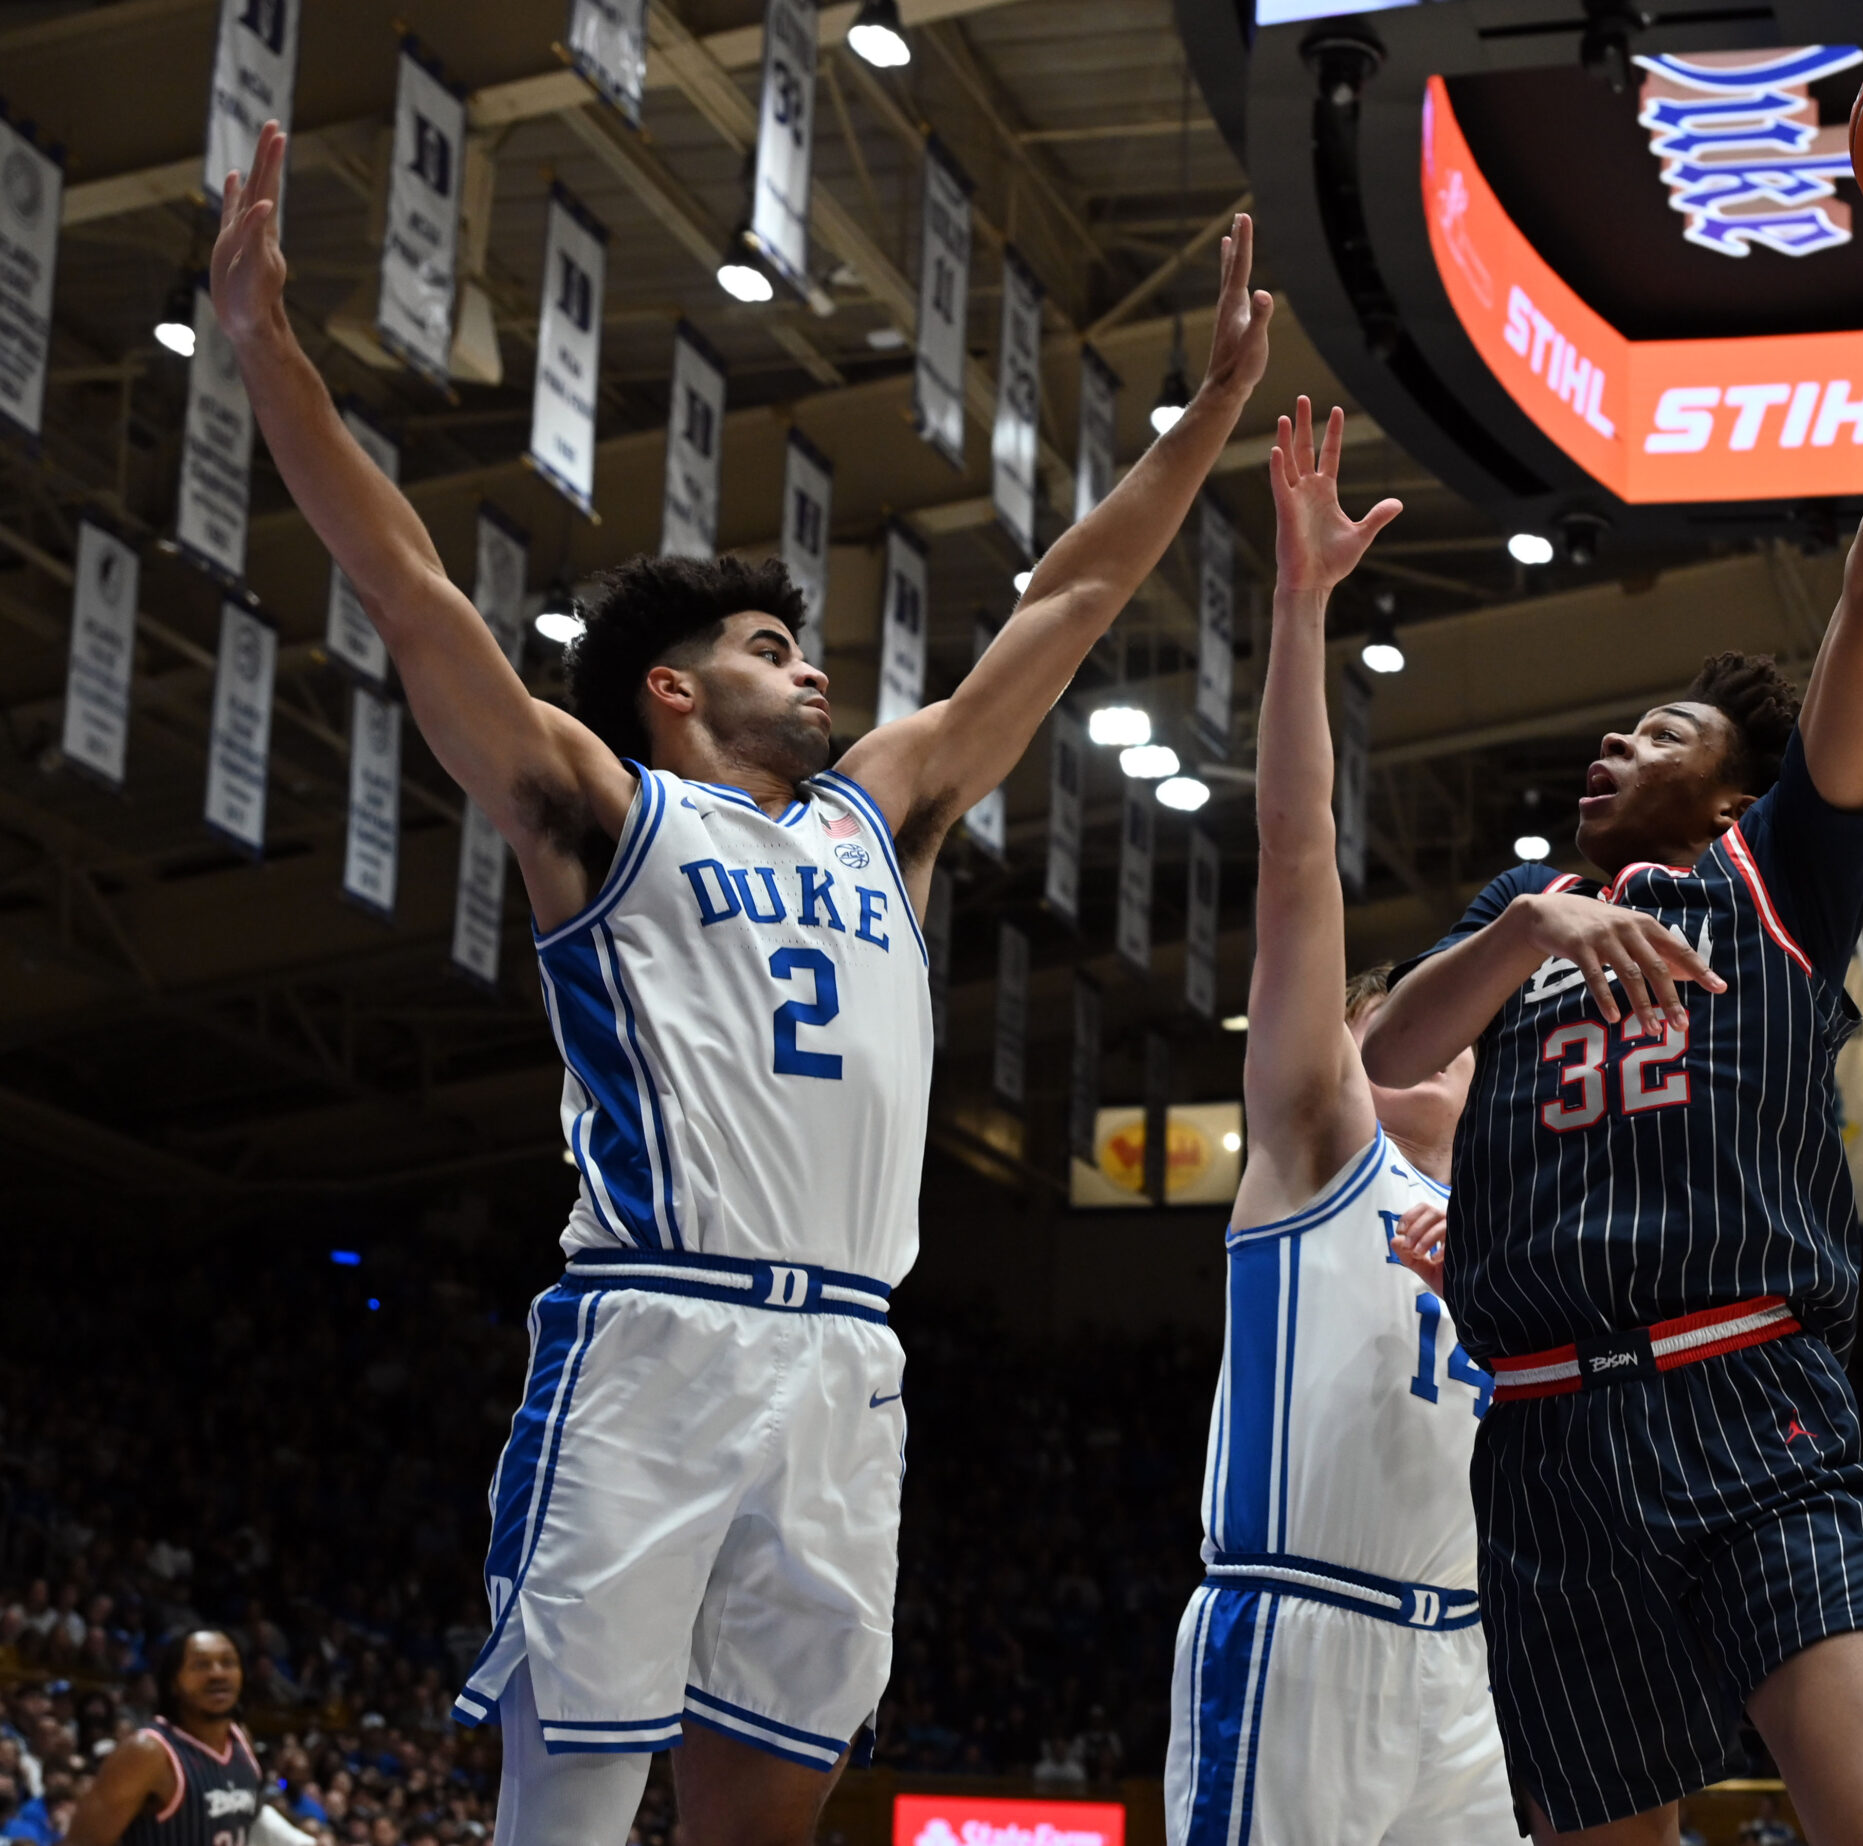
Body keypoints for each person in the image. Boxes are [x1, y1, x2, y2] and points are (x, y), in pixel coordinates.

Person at [206, 119, 1275, 1846]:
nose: (814, 663)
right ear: (674, 694)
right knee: (568, 1804)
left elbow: (1067, 604)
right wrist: (270, 356)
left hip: (847, 1361)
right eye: (773, 647)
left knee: (769, 1814)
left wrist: (1212, 405)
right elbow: (410, 597)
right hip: (659, 1325)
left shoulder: (884, 816)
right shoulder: (601, 806)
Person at [1359, 99, 1863, 1846]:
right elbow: (1394, 1051)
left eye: (1660, 727)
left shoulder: (1777, 875)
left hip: (1751, 1397)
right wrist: (1529, 923)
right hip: (1541, 1443)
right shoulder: (1519, 911)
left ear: (1734, 783)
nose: (1614, 738)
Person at [1161, 402, 1511, 1843]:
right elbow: (1298, 856)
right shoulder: (1320, 1147)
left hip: (1467, 1663)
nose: (1421, 1051)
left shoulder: (1518, 1242)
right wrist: (1302, 603)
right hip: (1301, 1628)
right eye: (1381, 1025)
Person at [62, 1630, 262, 1846]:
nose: (218, 1674)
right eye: (201, 1665)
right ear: (173, 1683)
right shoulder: (148, 1752)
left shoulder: (241, 1740)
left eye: (228, 1662)